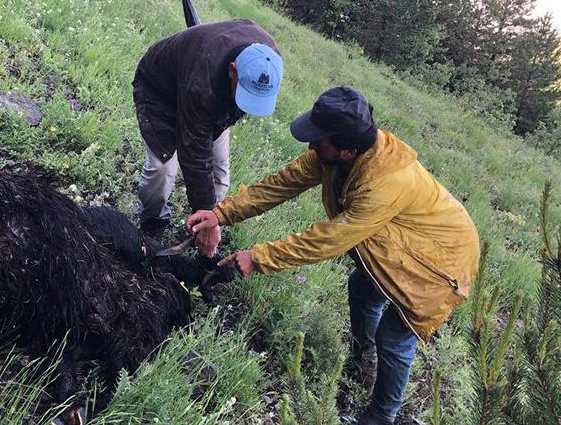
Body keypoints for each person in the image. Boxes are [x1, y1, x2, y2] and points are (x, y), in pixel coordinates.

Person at [185, 86, 480, 424]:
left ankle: (381, 417)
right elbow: (282, 183)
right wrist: (221, 214)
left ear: (347, 150)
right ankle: (362, 360)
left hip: (442, 263)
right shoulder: (336, 156)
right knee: (362, 289)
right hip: (405, 244)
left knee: (395, 336)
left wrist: (260, 257)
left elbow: (329, 239)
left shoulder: (383, 183)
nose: (311, 145)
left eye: (318, 140)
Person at [133, 19, 283, 244]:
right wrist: (204, 207)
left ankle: (201, 226)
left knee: (219, 175)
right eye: (244, 95)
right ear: (232, 70)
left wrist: (211, 217)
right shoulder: (202, 83)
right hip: (161, 92)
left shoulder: (269, 61)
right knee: (163, 168)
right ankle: (153, 221)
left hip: (213, 102)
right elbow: (194, 156)